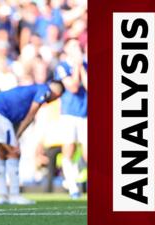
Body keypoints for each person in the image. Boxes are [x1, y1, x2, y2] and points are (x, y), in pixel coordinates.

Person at [0, 81, 64, 204]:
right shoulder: (45, 90)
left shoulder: (33, 88)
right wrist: (17, 135)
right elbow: (31, 115)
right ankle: (14, 195)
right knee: (14, 152)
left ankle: (3, 196)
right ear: (57, 93)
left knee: (2, 154)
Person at [54, 38, 87, 199]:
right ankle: (73, 186)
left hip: (85, 113)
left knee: (88, 152)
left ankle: (78, 179)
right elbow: (73, 87)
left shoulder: (85, 65)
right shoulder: (62, 67)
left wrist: (81, 67)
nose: (76, 48)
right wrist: (77, 67)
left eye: (77, 45)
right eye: (72, 46)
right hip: (69, 114)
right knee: (69, 149)